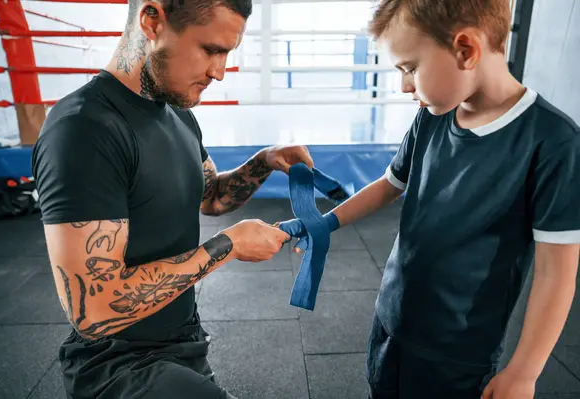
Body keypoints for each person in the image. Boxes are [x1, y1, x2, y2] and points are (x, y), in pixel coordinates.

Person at [282, 0, 579, 398]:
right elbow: (389, 185)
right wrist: (323, 223)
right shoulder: (432, 116)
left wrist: (524, 372)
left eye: (409, 68)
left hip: (457, 353)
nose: (404, 85)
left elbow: (555, 274)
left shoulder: (553, 143)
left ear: (465, 50)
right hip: (391, 322)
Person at [31, 1, 313, 398]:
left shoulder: (177, 114)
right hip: (119, 365)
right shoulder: (83, 130)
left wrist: (263, 162)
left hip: (183, 343)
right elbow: (92, 313)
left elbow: (210, 197)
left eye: (227, 54)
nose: (219, 72)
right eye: (211, 50)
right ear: (151, 20)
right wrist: (226, 246)